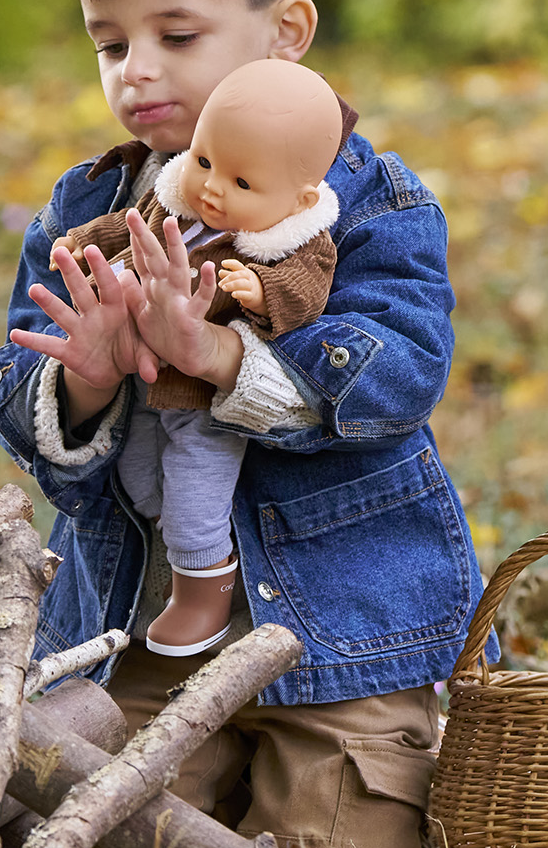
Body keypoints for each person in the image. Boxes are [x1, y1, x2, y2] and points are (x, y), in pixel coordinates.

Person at [0, 0, 483, 848]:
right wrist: (90, 374)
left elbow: (394, 375)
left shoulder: (371, 205)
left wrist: (212, 353)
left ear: (283, 29)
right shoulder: (89, 209)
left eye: (175, 32)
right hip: (148, 634)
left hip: (341, 642)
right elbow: (32, 417)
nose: (137, 70)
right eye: (109, 42)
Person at [58, 58, 345, 657]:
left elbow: (308, 288)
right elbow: (124, 228)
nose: (213, 188)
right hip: (141, 382)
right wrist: (79, 245)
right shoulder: (177, 203)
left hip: (205, 400)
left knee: (194, 486)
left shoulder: (289, 239)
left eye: (241, 184)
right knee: (138, 477)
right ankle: (181, 536)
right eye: (206, 162)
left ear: (300, 198)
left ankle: (202, 587)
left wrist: (264, 293)